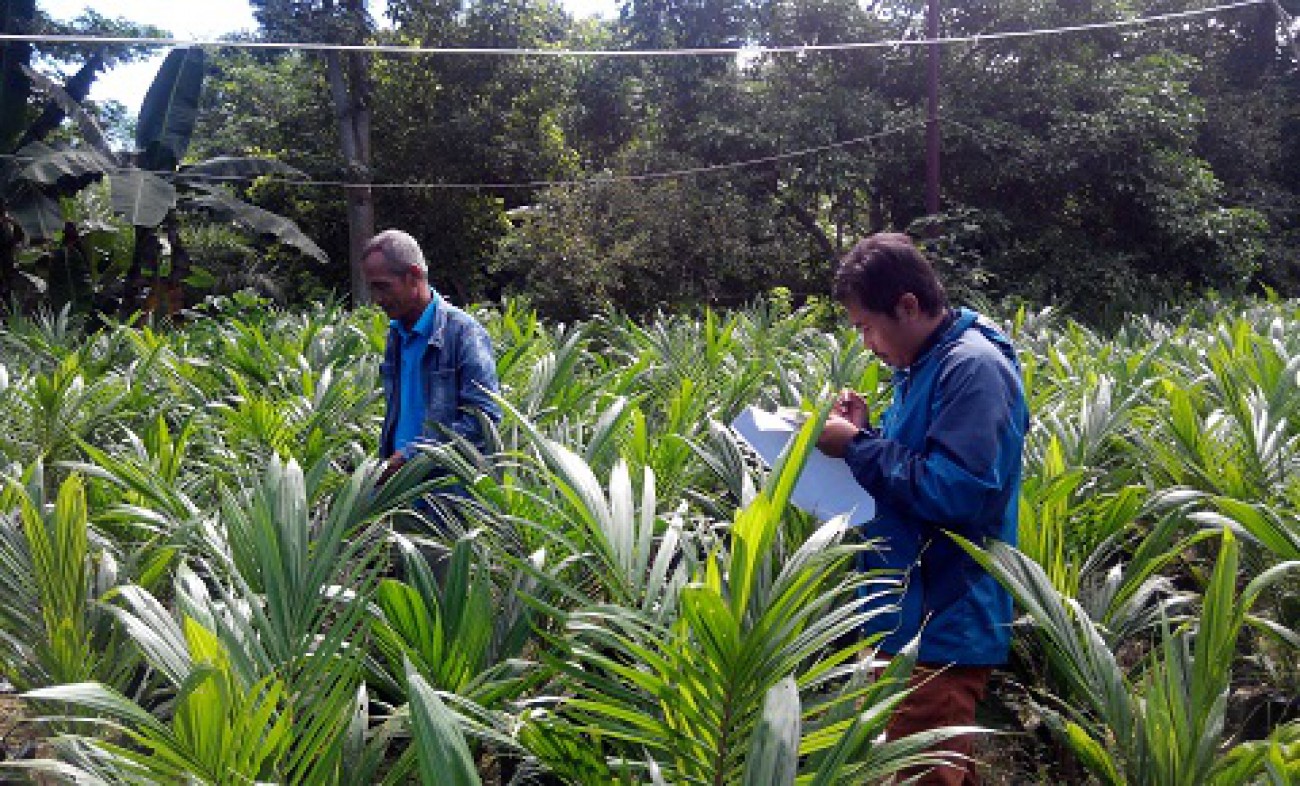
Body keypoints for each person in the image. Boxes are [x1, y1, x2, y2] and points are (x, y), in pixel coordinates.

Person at [816, 233, 1028, 786]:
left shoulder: (974, 367)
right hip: (912, 607)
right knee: (937, 766)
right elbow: (919, 462)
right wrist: (867, 431)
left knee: (921, 771)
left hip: (943, 617)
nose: (866, 344)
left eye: (866, 327)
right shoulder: (925, 362)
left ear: (907, 306)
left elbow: (959, 490)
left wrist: (857, 447)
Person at [361, 229, 502, 487]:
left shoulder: (463, 333)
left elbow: (484, 419)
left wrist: (413, 457)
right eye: (373, 288)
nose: (377, 299)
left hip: (448, 495)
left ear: (414, 276)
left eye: (383, 287)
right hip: (401, 490)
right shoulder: (396, 334)